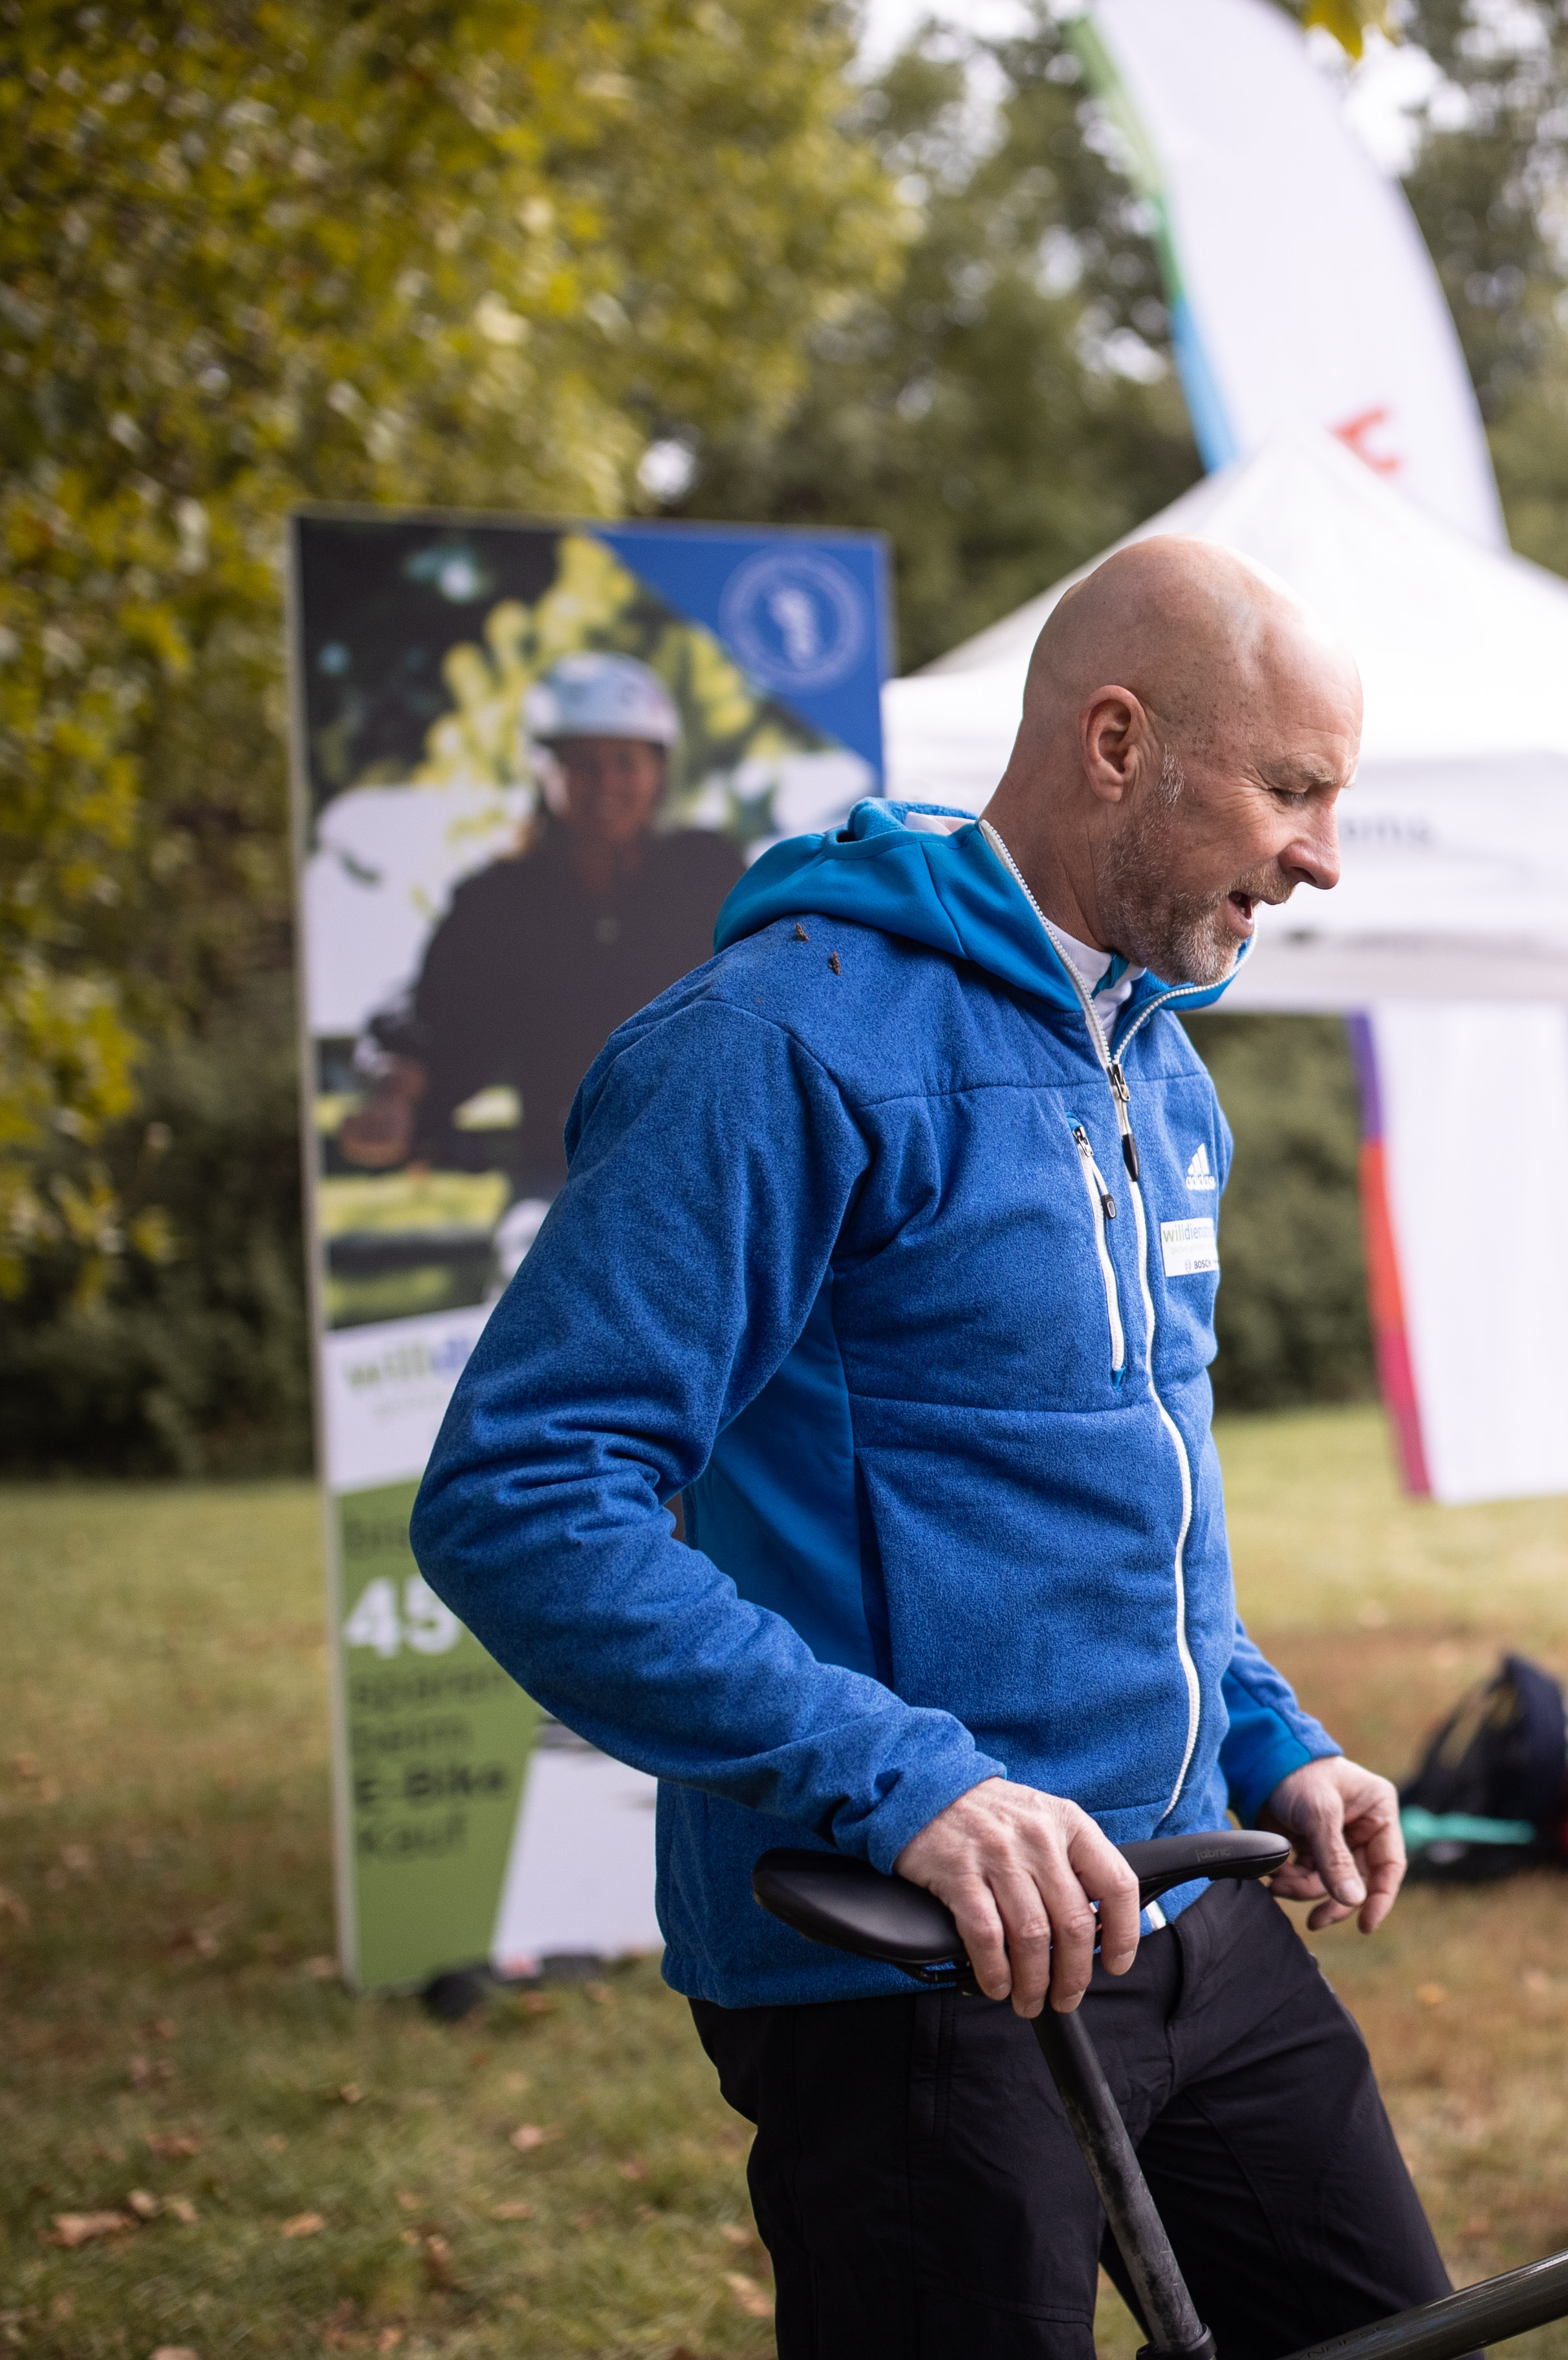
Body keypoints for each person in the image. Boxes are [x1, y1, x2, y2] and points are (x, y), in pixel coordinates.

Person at [409, 541, 1453, 2360]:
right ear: (1118, 744)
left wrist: (1269, 1736)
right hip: (908, 1958)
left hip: (1183, 1899)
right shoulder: (776, 1041)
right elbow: (524, 1496)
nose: (1322, 856)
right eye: (1293, 789)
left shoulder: (1160, 1067)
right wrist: (907, 1786)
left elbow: (1124, 1488)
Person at [338, 651, 747, 1265]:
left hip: (710, 1158)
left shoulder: (708, 870)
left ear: (660, 770)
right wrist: (393, 1097)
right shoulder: (496, 900)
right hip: (564, 1174)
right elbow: (434, 1019)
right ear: (542, 770)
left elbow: (772, 985)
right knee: (537, 1271)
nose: (606, 784)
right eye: (582, 763)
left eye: (625, 761)